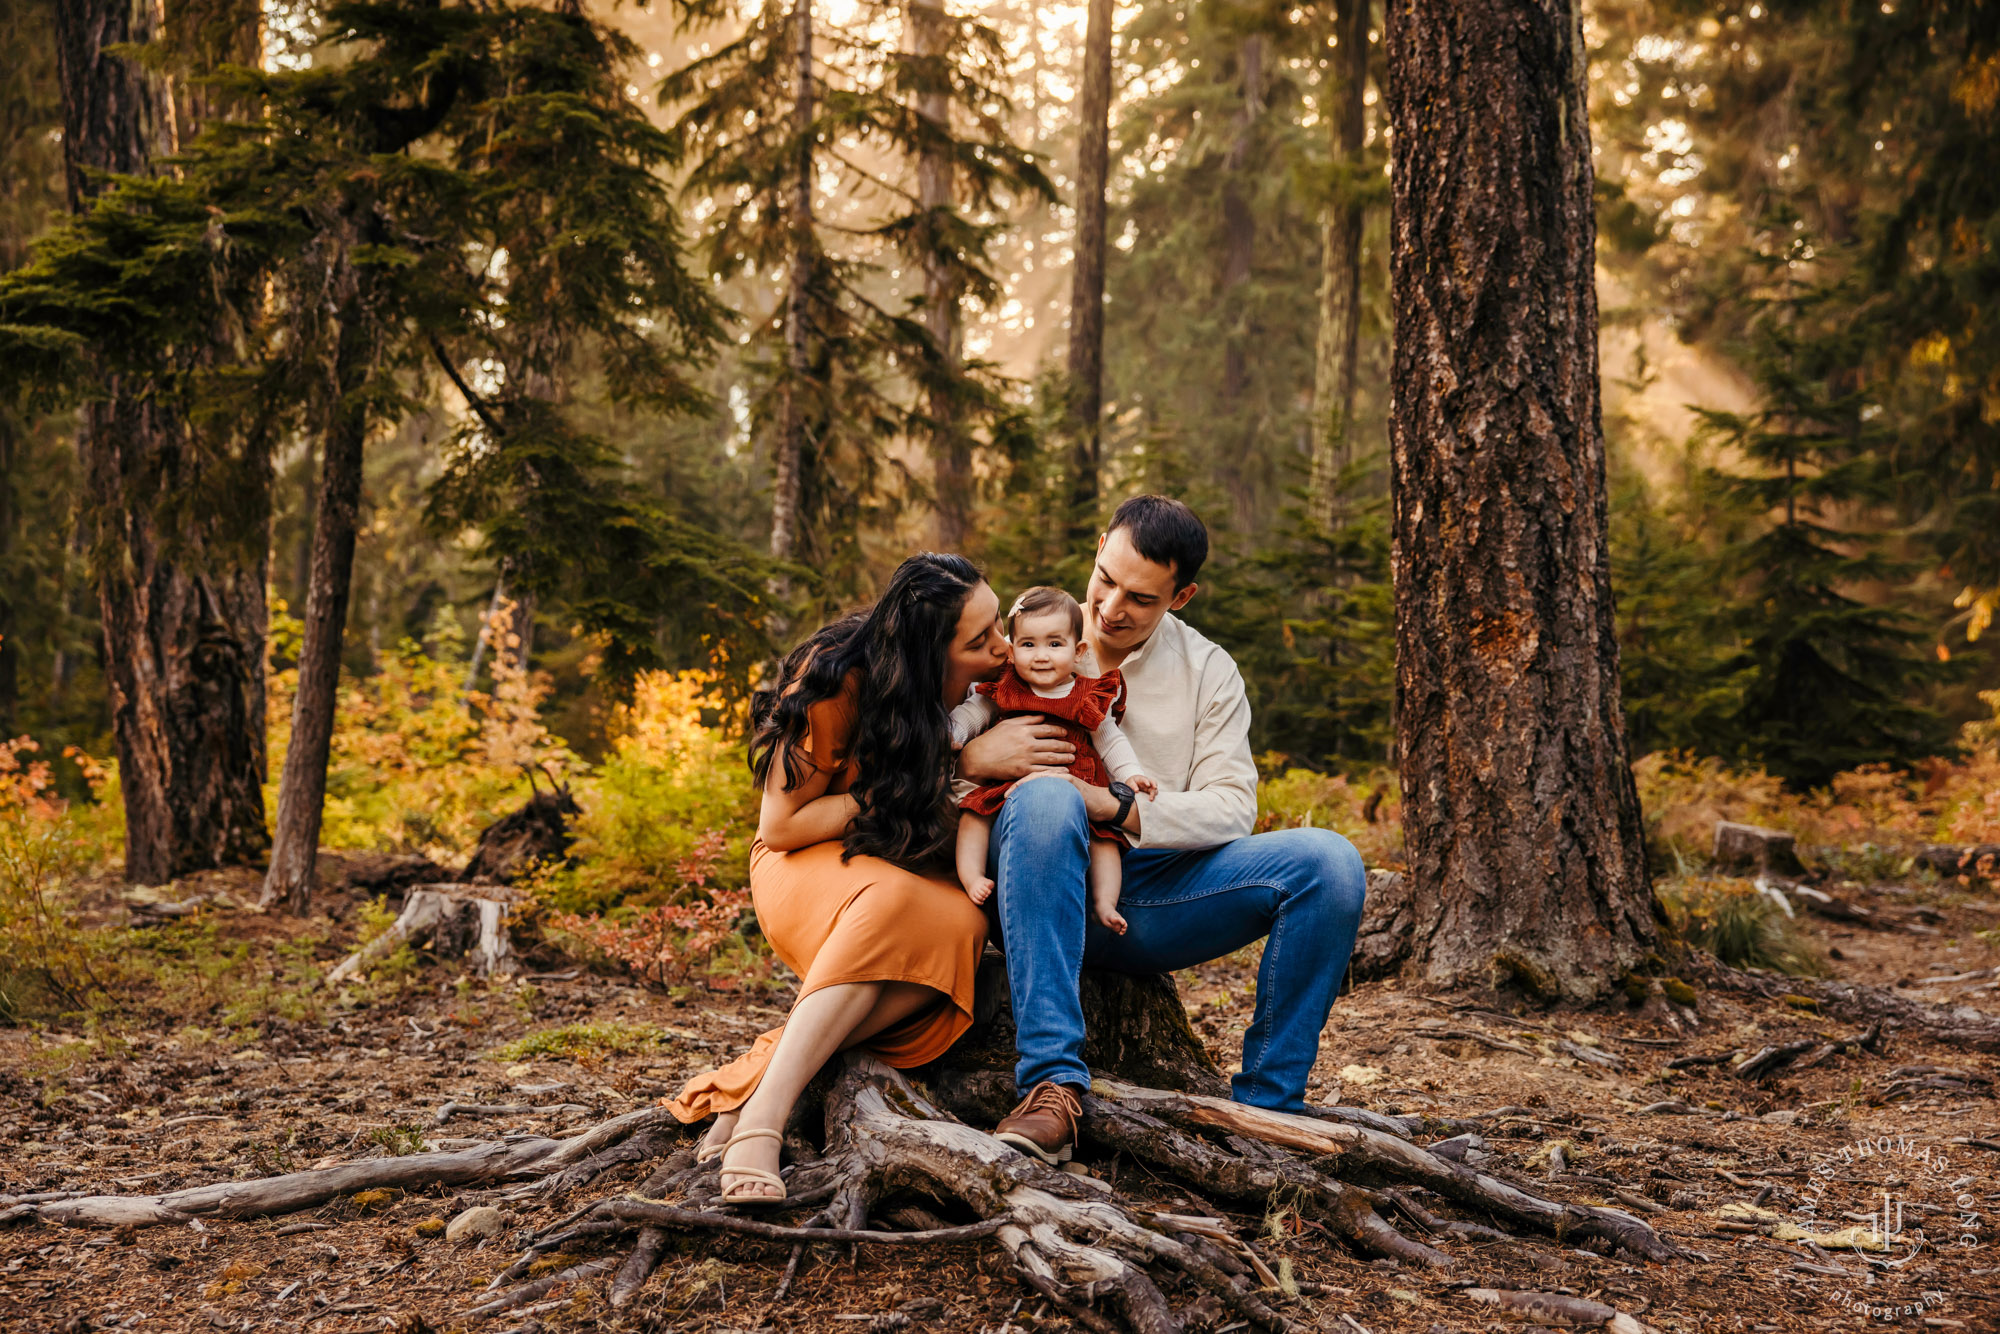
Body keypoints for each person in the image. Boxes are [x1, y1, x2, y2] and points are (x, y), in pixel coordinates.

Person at [959, 496, 1368, 1166]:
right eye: (1106, 579)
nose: (1112, 607)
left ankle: (1267, 1113)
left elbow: (1232, 806)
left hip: (1151, 894)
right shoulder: (1029, 634)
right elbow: (935, 744)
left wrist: (1110, 805)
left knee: (1331, 864)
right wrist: (971, 759)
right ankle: (1052, 1089)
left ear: (1182, 597)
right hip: (1031, 881)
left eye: (1141, 598)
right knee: (1043, 802)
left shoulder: (1210, 672)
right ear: (1097, 548)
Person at [663, 552, 1008, 1203]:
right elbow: (783, 825)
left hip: (901, 877)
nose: (1003, 647)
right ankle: (761, 1124)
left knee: (964, 927)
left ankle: (761, 1079)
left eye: (999, 626)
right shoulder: (836, 676)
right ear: (929, 652)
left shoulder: (992, 689)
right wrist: (934, 779)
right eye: (980, 640)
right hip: (803, 864)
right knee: (895, 900)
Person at [949, 586, 1158, 934]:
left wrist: (1131, 774)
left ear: (1077, 651)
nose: (1041, 655)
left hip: (1079, 790)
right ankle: (971, 877)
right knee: (974, 816)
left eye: (1054, 644)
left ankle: (1105, 902)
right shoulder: (1005, 687)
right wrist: (954, 734)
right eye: (1028, 644)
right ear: (1011, 651)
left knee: (1106, 841)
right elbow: (973, 713)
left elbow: (1110, 740)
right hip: (1009, 789)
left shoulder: (1086, 695)